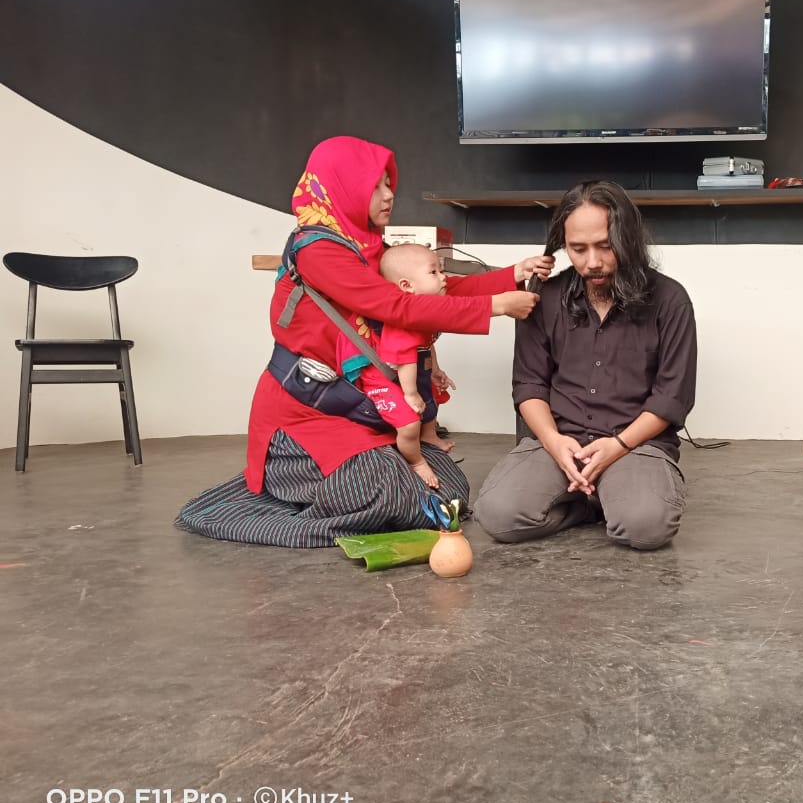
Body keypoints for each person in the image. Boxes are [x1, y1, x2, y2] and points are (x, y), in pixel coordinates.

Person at [176, 135, 550, 548]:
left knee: (450, 488)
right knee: (386, 492)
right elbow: (397, 306)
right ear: (343, 185)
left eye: (389, 184)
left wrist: (511, 275)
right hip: (307, 418)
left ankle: (345, 489)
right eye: (375, 186)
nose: (389, 194)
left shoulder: (369, 248)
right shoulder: (318, 250)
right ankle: (274, 513)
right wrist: (496, 306)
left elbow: (431, 291)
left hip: (362, 412)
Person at [473, 180, 697, 550]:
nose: (592, 262)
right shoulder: (544, 297)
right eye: (578, 249)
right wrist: (553, 441)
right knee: (498, 515)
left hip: (634, 443)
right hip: (559, 443)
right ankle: (585, 504)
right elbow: (528, 385)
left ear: (628, 238)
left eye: (606, 246)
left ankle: (606, 495)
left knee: (645, 527)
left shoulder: (671, 300)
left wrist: (618, 445)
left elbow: (672, 397)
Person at [351, 242, 455, 490]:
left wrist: (435, 370)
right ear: (407, 285)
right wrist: (410, 394)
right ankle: (416, 461)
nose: (443, 277)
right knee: (409, 423)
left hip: (409, 369)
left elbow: (427, 344)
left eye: (441, 270)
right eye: (434, 272)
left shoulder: (422, 311)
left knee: (432, 394)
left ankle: (429, 435)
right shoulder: (402, 320)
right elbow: (405, 358)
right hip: (383, 377)